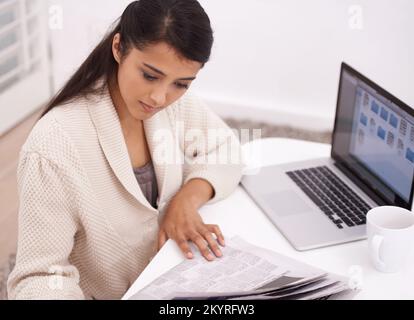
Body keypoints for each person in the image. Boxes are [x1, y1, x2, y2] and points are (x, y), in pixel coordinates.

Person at [8, 0, 243, 300]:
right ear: (118, 47)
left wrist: (186, 199)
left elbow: (226, 149)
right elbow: (39, 276)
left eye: (181, 83)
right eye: (149, 75)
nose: (160, 97)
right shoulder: (53, 145)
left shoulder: (175, 105)